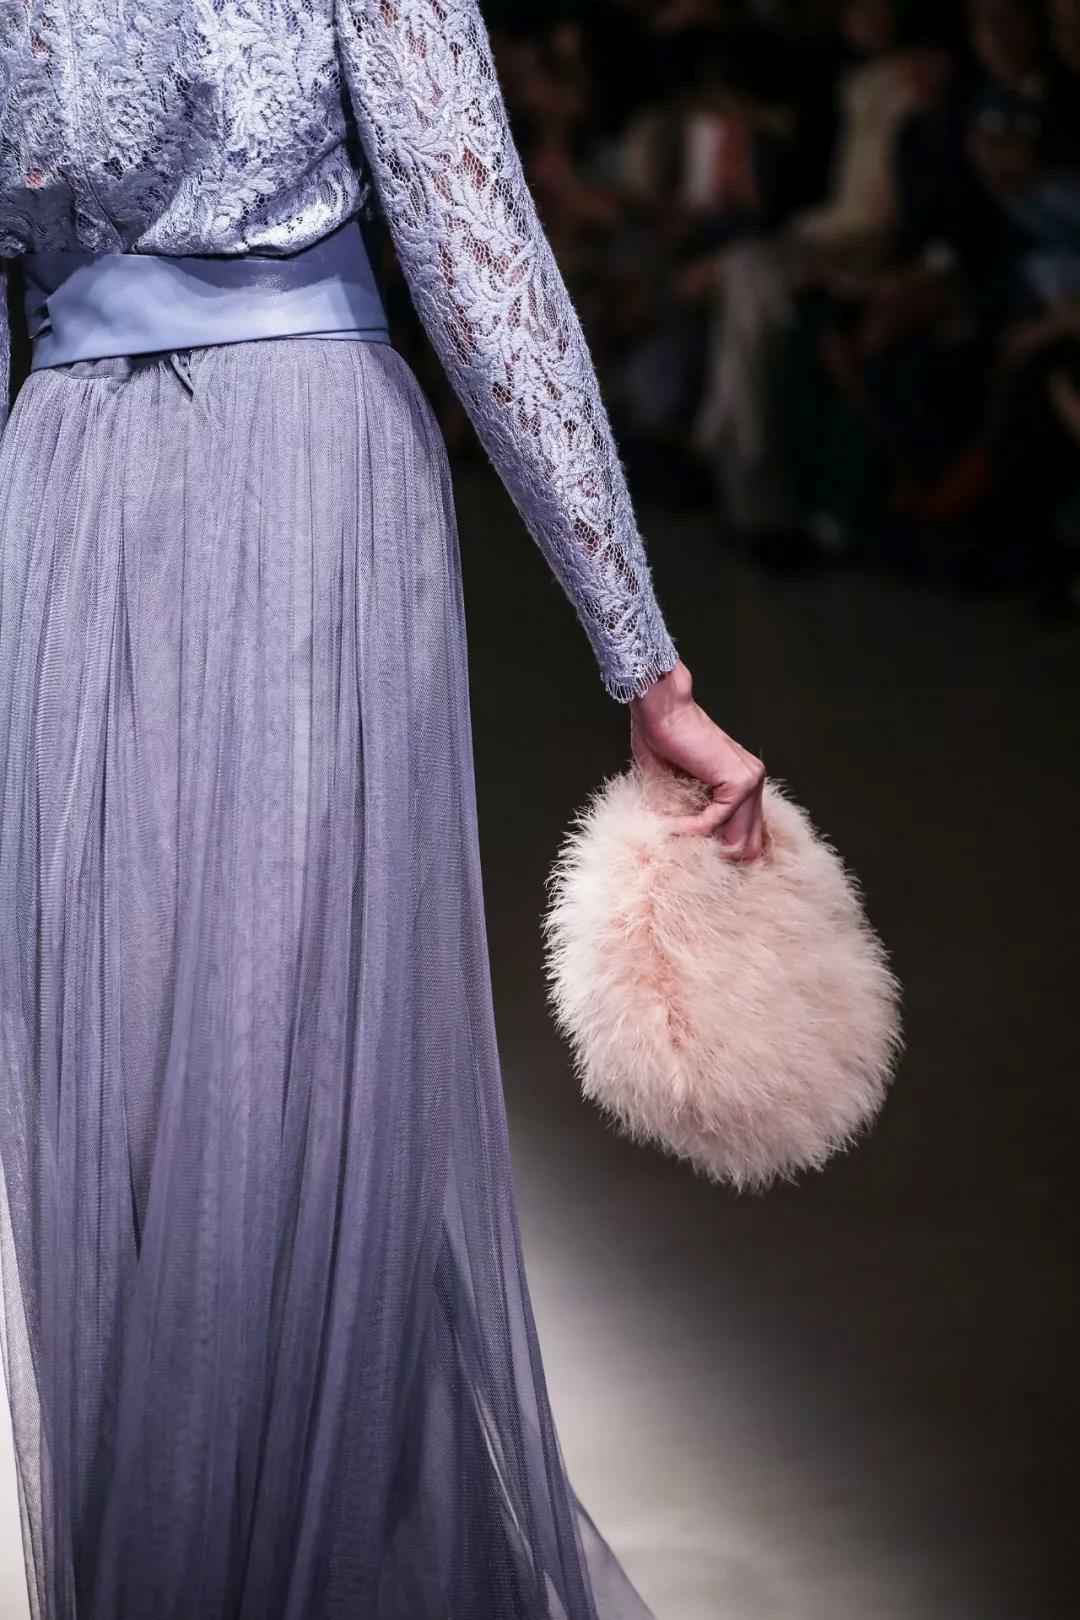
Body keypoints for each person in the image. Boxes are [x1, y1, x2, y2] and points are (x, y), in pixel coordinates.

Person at [0, 2, 766, 1618]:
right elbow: (476, 254)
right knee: (262, 1093)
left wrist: (638, 649)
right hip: (254, 474)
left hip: (104, 484)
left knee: (160, 1103)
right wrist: (643, 662)